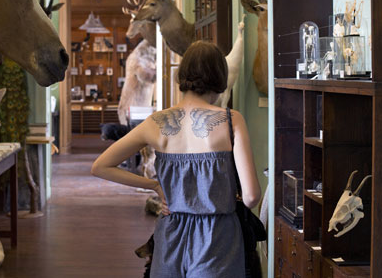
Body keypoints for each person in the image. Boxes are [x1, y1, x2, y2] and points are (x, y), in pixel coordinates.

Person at [91, 41, 261, 278]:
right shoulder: (231, 120)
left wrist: (153, 185)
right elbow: (252, 197)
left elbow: (101, 166)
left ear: (183, 76)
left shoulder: (156, 122)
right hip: (218, 238)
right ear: (219, 78)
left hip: (170, 234)